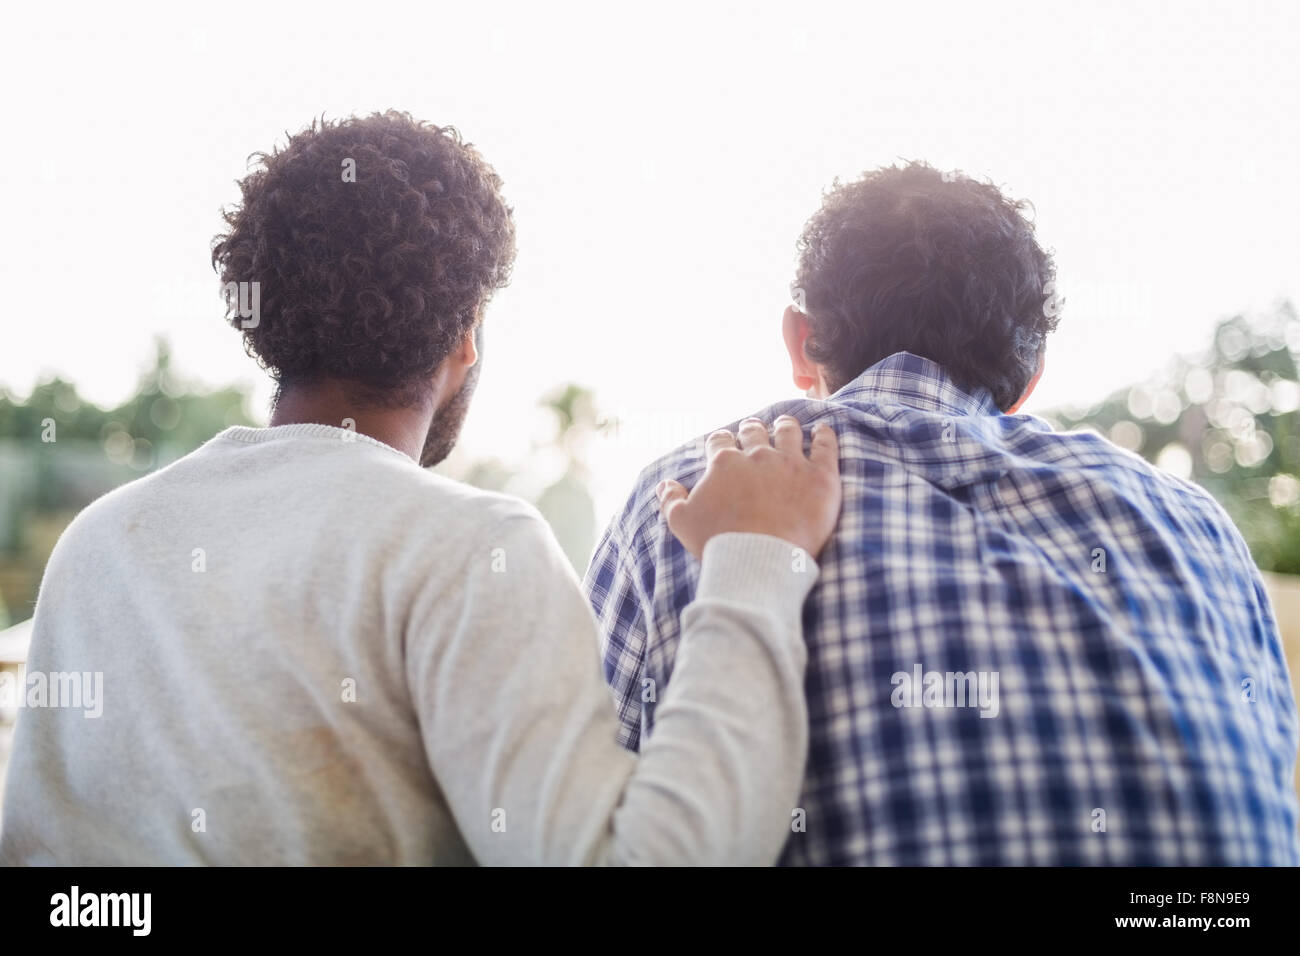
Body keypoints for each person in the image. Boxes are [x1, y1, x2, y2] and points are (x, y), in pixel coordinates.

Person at [0, 111, 843, 866]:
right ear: (466, 334)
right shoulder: (470, 549)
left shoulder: (102, 542)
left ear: (265, 320)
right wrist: (754, 561)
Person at [586, 161, 1300, 866]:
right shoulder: (1199, 530)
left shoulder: (692, 495)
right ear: (1031, 373)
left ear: (801, 341)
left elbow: (587, 833)